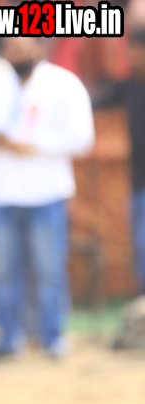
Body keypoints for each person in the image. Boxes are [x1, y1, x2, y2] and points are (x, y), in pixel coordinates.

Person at [0, 36, 94, 358]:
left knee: (49, 271)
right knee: (5, 273)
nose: (16, 55)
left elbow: (82, 138)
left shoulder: (64, 84)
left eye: (22, 48)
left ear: (39, 48)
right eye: (10, 49)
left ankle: (52, 338)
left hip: (46, 192)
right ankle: (9, 339)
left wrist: (35, 145)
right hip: (4, 193)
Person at [94, 31, 145, 295]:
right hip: (138, 180)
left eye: (138, 51)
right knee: (140, 245)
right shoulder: (128, 86)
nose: (133, 57)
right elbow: (99, 100)